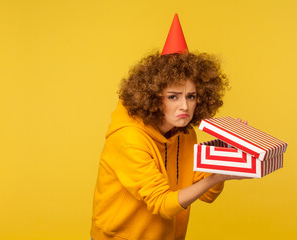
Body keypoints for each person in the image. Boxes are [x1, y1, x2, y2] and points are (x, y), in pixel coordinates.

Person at [90, 14, 249, 240]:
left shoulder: (185, 133)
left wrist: (225, 155)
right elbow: (162, 203)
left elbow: (206, 194)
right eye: (173, 97)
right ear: (154, 97)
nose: (184, 106)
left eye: (191, 96)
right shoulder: (128, 139)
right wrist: (216, 177)